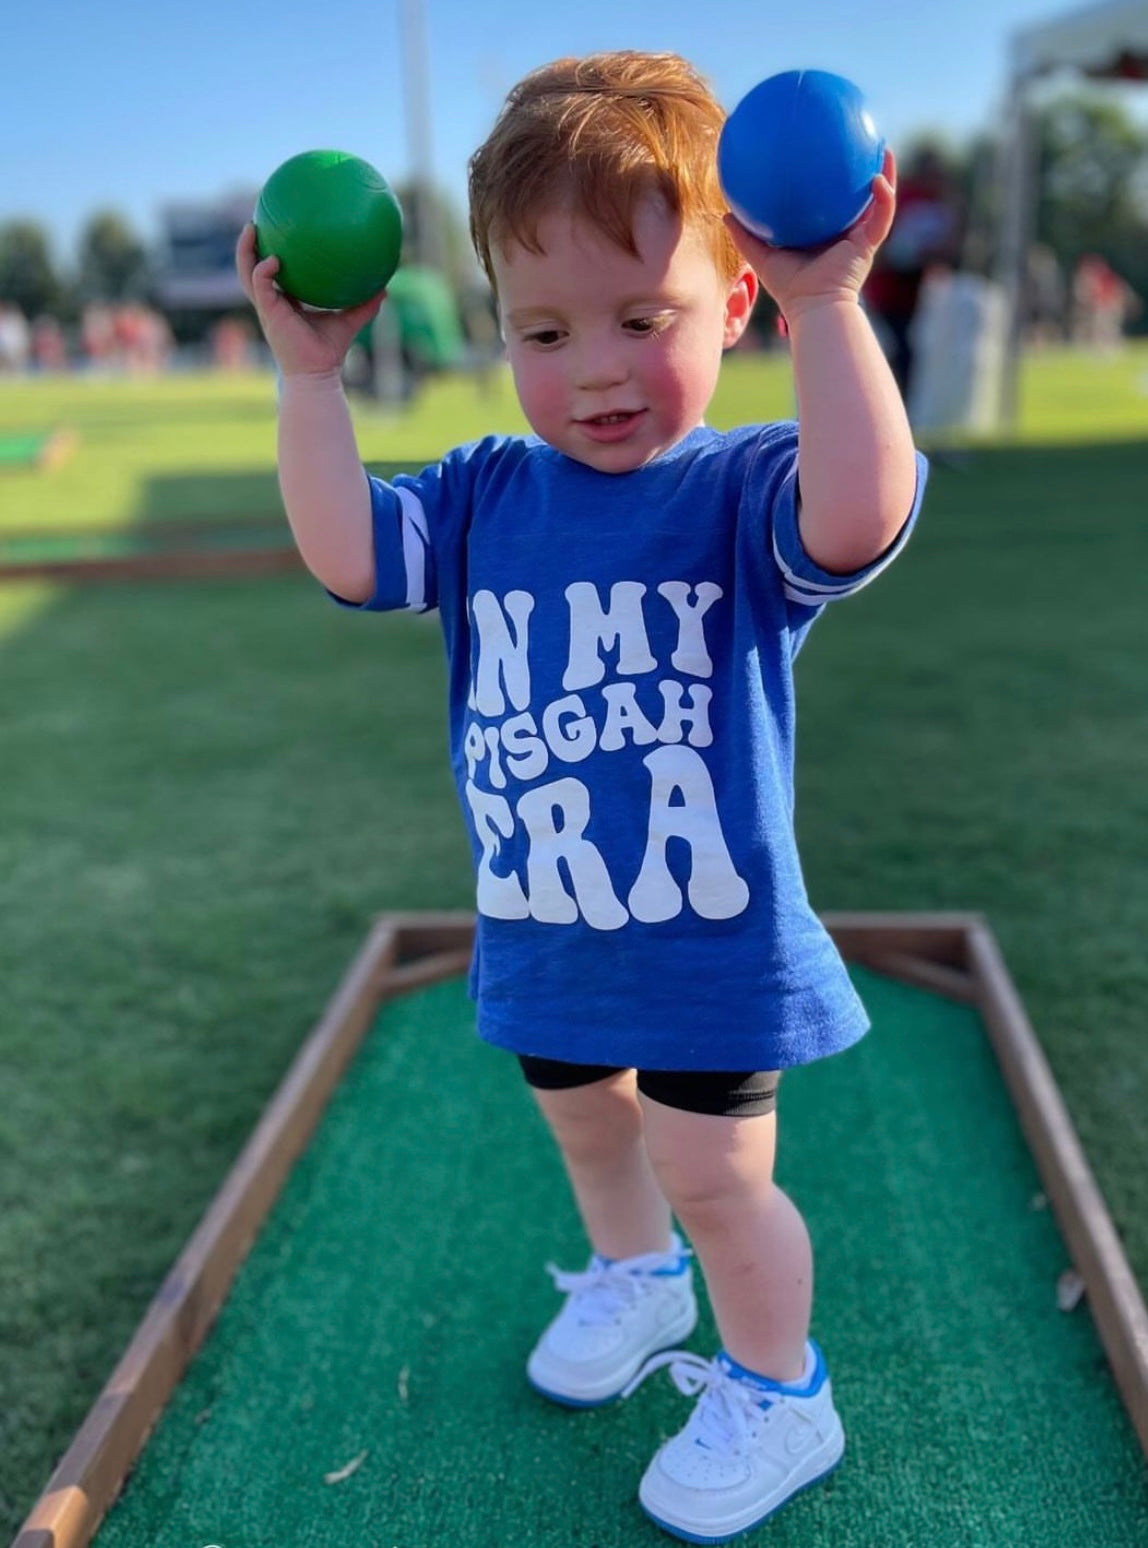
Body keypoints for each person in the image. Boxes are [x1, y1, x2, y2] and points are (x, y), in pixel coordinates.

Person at [237, 51, 924, 1544]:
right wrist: (308, 379)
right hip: (548, 922)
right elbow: (353, 554)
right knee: (587, 1130)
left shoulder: (743, 494)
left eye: (643, 318)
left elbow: (864, 511)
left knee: (717, 1178)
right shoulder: (488, 492)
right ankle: (634, 1283)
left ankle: (780, 1389)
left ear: (732, 301)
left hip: (708, 942)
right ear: (497, 325)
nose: (597, 370)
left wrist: (830, 301)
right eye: (544, 330)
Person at [862, 146, 960, 404]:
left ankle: (900, 414)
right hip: (886, 295)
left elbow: (949, 249)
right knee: (893, 355)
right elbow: (892, 253)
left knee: (909, 357)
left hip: (913, 297)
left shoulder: (938, 203)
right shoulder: (908, 199)